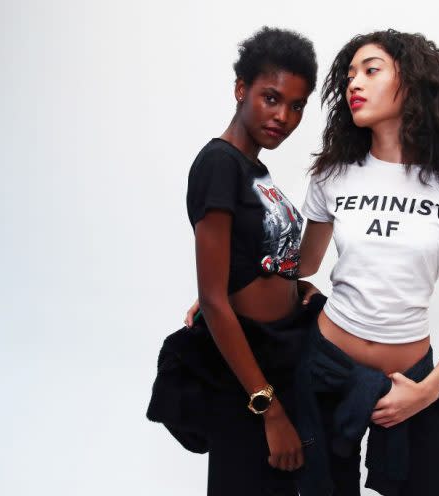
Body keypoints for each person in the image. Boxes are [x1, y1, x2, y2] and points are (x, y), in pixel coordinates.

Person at [185, 29, 439, 496]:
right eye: (350, 74)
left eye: (371, 70)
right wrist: (226, 289)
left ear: (411, 82)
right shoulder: (334, 173)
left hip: (411, 375)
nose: (355, 83)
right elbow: (302, 262)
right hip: (326, 367)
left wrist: (430, 388)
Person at [146, 26, 321, 496]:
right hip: (248, 379)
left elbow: (251, 261)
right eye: (271, 98)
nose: (283, 115)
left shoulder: (255, 169)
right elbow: (214, 298)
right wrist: (271, 409)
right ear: (241, 90)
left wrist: (294, 284)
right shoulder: (219, 164)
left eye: (297, 105)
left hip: (279, 358)